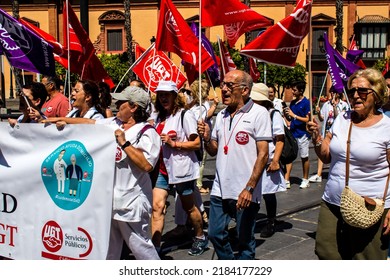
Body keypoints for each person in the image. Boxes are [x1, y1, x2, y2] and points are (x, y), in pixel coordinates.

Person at [44, 86, 161, 260]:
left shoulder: (147, 132)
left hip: (131, 203)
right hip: (110, 202)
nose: (116, 104)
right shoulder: (114, 123)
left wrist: (125, 144)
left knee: (140, 248)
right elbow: (90, 123)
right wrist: (61, 120)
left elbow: (146, 165)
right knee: (108, 251)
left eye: (121, 102)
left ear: (134, 107)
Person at [307, 68, 390, 260]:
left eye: (362, 91)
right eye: (351, 91)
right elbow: (326, 156)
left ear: (376, 94)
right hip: (333, 202)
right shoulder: (342, 119)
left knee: (367, 259)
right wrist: (317, 138)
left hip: (369, 206)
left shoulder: (386, 127)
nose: (355, 96)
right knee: (326, 253)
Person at [197, 70, 272, 260]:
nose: (223, 89)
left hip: (245, 190)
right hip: (219, 189)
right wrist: (206, 138)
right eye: (223, 85)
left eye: (229, 85)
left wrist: (249, 187)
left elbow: (263, 154)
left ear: (245, 90)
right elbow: (214, 150)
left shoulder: (259, 113)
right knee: (215, 234)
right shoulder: (221, 115)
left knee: (245, 241)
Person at [151, 80, 208, 257]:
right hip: (161, 170)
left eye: (166, 94)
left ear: (175, 96)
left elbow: (197, 143)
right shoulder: (158, 117)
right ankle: (155, 247)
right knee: (157, 207)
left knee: (189, 207)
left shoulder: (185, 115)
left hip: (181, 169)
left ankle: (199, 236)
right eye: (160, 94)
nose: (163, 98)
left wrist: (173, 143)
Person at [250, 83, 286, 238]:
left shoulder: (273, 114)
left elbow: (280, 139)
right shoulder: (249, 113)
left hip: (268, 160)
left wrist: (276, 160)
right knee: (251, 193)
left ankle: (271, 220)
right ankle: (248, 221)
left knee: (268, 194)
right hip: (252, 160)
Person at [309, 86, 349, 183]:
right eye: (331, 93)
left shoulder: (343, 104)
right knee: (322, 150)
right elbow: (322, 118)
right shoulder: (326, 104)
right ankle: (319, 174)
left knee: (336, 152)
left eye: (333, 92)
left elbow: (339, 117)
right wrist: (318, 113)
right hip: (326, 131)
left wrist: (335, 107)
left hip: (338, 133)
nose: (332, 95)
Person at [283, 80, 311, 189]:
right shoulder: (293, 103)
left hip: (303, 133)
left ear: (301, 90)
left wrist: (294, 116)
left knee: (304, 157)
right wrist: (287, 115)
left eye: (294, 90)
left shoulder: (306, 103)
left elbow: (307, 119)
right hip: (293, 133)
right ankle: (286, 179)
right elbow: (290, 117)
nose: (292, 92)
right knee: (289, 156)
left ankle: (305, 179)